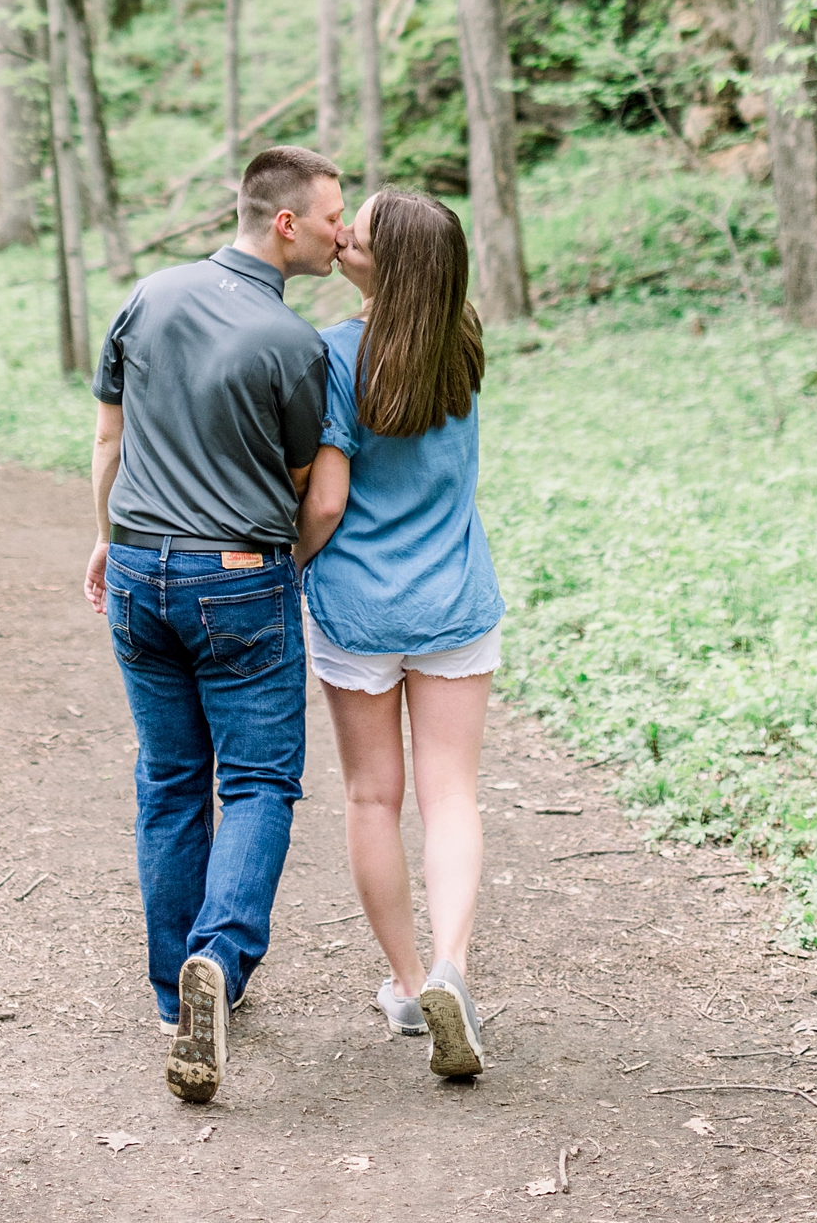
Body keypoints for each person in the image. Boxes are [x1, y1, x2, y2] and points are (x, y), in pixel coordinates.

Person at [85, 145, 346, 1104]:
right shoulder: (293, 344)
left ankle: (172, 993)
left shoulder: (147, 296)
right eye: (331, 216)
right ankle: (219, 966)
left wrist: (107, 540)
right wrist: (268, 567)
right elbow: (302, 486)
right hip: (237, 573)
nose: (340, 231)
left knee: (169, 780)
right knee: (264, 780)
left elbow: (111, 436)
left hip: (137, 570)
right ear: (286, 223)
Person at [294, 187, 503, 1081]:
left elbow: (329, 498)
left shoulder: (338, 355)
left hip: (359, 611)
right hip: (454, 599)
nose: (342, 235)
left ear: (390, 264)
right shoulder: (464, 342)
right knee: (451, 796)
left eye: (360, 233)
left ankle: (409, 984)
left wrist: (292, 563)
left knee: (373, 800)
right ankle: (453, 966)